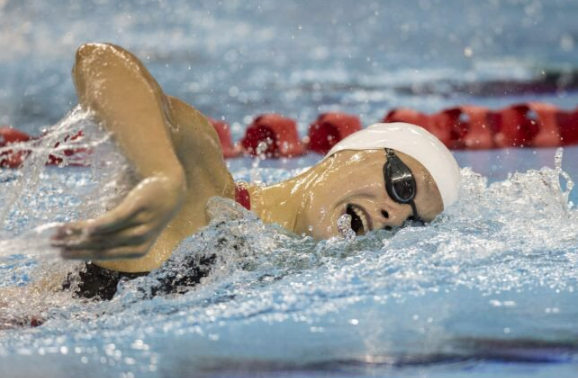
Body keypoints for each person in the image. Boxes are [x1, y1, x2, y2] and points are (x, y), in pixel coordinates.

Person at [46, 43, 460, 298]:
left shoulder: (278, 267)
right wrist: (160, 173)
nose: (397, 215)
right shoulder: (202, 188)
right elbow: (98, 60)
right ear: (349, 152)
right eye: (403, 185)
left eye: (415, 223)